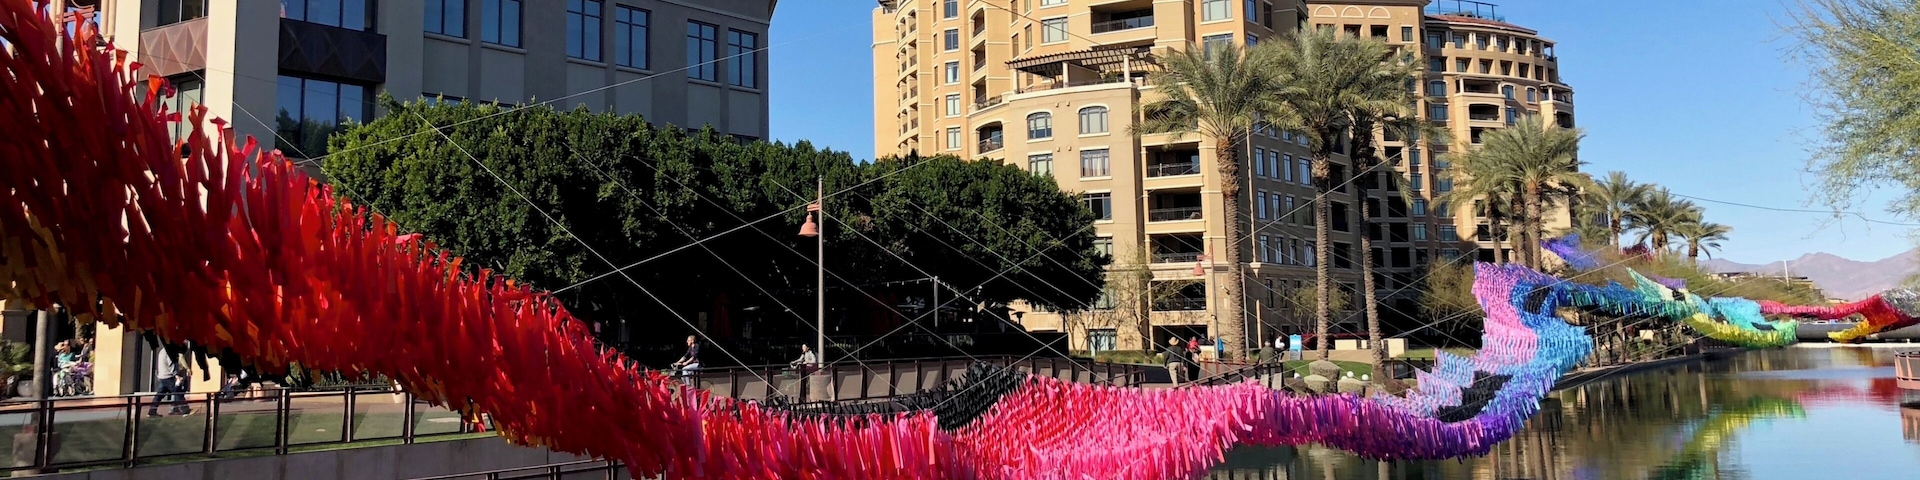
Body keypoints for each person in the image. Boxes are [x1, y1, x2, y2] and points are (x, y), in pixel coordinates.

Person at [149, 349, 190, 417]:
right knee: (177, 392)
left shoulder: (162, 351)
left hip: (162, 376)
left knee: (159, 396)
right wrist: (176, 375)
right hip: (168, 376)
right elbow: (171, 365)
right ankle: (186, 411)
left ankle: (152, 412)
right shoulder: (169, 352)